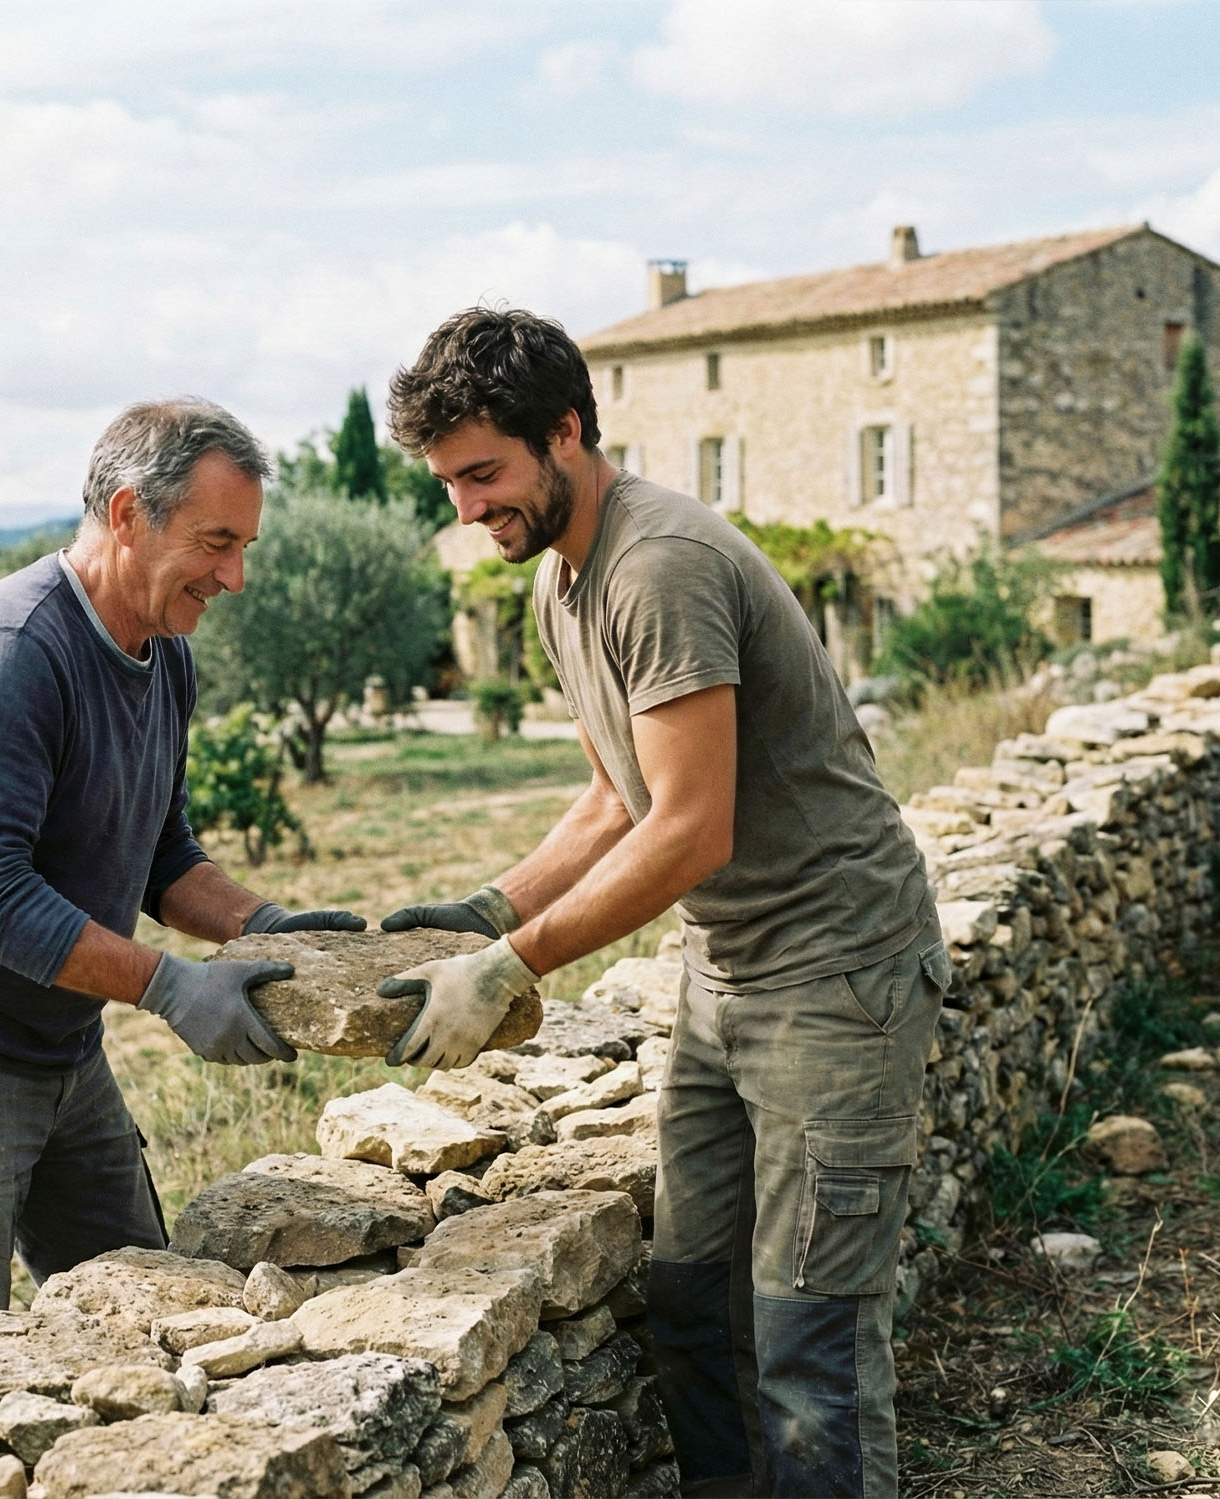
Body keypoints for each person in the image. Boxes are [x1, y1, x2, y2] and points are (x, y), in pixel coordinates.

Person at [378, 309, 945, 1499]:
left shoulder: (658, 564)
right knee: (693, 1308)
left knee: (810, 1348)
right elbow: (612, 796)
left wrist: (509, 967)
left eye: (483, 474)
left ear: (567, 432)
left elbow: (690, 825)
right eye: (448, 484)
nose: (467, 510)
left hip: (835, 972)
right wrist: (479, 914)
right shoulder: (561, 584)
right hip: (727, 973)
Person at [0, 399, 363, 1389]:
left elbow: (160, 858)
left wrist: (263, 926)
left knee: (148, 1311)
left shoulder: (163, 655)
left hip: (59, 1042)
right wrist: (169, 987)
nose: (233, 576)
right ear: (128, 514)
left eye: (243, 545)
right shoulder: (13, 653)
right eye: (215, 541)